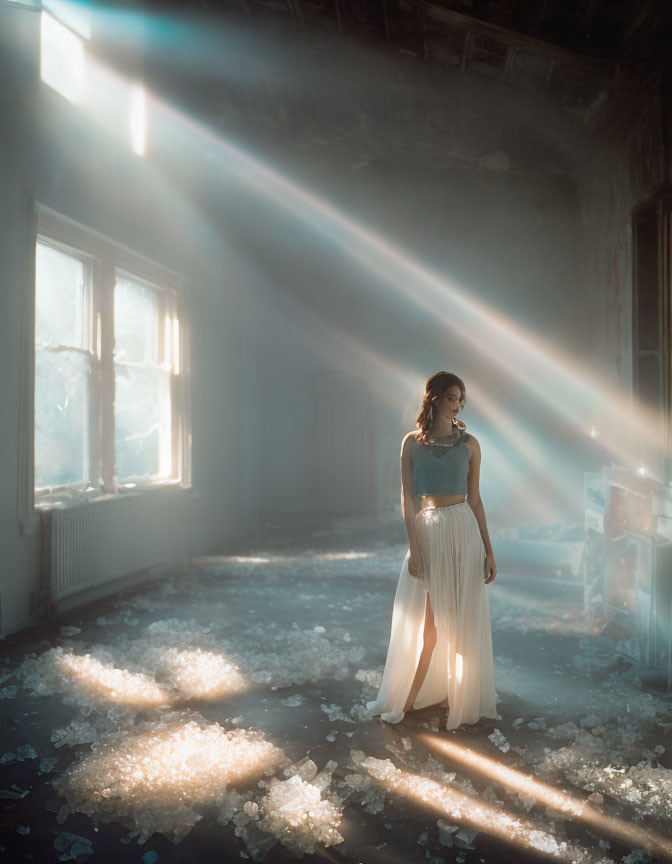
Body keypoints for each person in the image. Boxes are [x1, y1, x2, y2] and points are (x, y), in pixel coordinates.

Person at [366, 371, 498, 731]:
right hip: (429, 529)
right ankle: (406, 699)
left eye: (460, 399)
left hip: (463, 530)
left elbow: (475, 499)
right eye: (452, 397)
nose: (457, 404)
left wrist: (488, 549)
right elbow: (407, 498)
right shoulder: (412, 443)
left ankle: (460, 694)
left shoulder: (470, 444)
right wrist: (414, 545)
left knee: (460, 618)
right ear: (435, 399)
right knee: (428, 627)